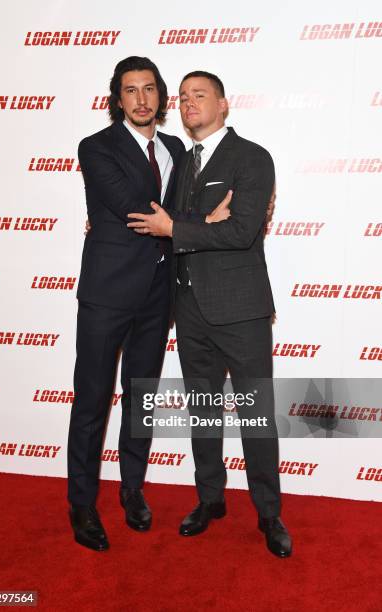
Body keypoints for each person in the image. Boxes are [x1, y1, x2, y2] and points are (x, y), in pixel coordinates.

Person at [68, 57, 230, 552]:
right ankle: (82, 503)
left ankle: (132, 490)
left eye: (150, 90)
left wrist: (229, 208)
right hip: (107, 293)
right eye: (130, 91)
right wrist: (205, 216)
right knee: (92, 400)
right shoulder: (96, 147)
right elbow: (136, 208)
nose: (141, 99)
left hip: (160, 294)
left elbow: (176, 209)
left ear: (161, 97)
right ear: (117, 99)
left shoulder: (179, 148)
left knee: (140, 398)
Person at [127, 71, 292, 558]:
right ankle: (210, 500)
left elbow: (242, 232)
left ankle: (268, 513)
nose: (188, 103)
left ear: (224, 104)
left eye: (200, 95)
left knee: (257, 416)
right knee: (202, 412)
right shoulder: (179, 160)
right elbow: (165, 222)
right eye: (182, 97)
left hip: (241, 311)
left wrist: (174, 226)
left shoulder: (252, 158)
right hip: (189, 310)